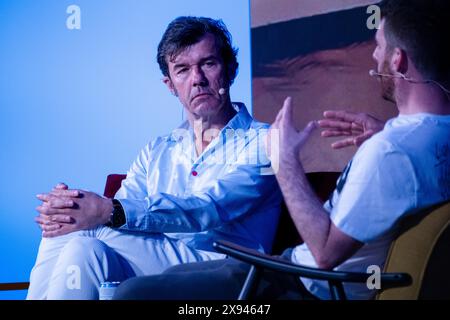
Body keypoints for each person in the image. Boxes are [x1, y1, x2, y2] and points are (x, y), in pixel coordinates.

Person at [114, 0, 450, 300]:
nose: (373, 56)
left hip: (304, 283)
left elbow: (324, 254)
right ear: (170, 83)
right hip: (290, 269)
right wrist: (385, 131)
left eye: (378, 46)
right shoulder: (428, 137)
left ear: (398, 59)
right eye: (183, 70)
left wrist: (284, 160)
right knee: (139, 265)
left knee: (132, 292)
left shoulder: (391, 152)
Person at [27, 16, 282, 299]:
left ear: (230, 69)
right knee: (78, 242)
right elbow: (124, 207)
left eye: (208, 64)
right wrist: (73, 210)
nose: (197, 79)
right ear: (170, 84)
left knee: (90, 226)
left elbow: (208, 209)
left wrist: (103, 211)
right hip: (160, 266)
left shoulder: (266, 141)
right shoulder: (157, 150)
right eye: (182, 70)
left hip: (226, 271)